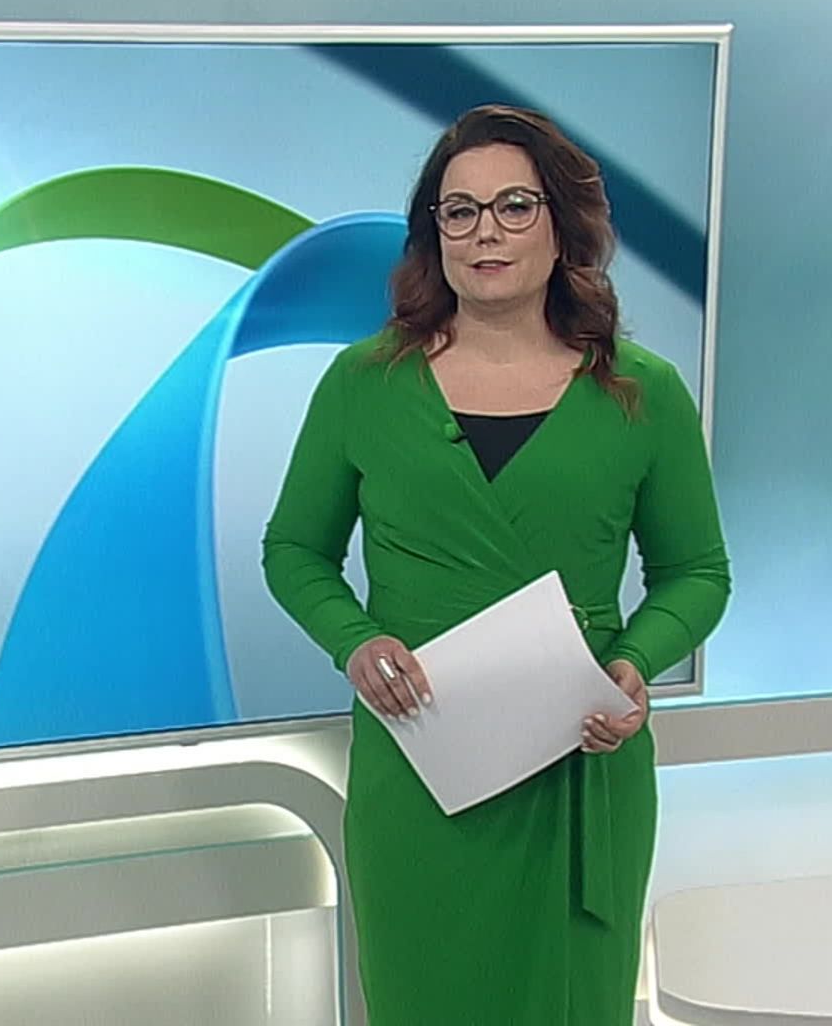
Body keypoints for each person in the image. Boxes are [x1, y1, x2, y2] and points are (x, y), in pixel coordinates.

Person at [261, 104, 731, 1024]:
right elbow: (294, 551)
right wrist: (355, 643)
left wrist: (634, 663)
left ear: (562, 226)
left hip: (579, 763)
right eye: (460, 211)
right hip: (420, 769)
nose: (486, 232)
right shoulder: (364, 383)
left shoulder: (642, 393)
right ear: (432, 233)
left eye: (515, 206)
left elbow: (699, 572)